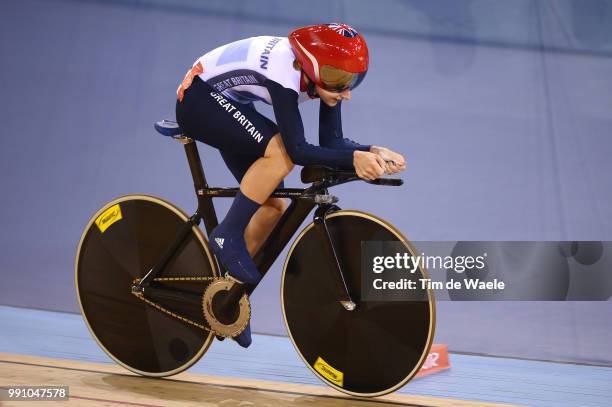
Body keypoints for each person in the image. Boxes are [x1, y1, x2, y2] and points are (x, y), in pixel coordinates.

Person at [175, 23, 406, 348]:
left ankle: (228, 295)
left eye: (352, 80)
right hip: (200, 100)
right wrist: (354, 158)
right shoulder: (285, 75)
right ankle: (227, 233)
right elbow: (298, 151)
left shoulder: (325, 75)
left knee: (272, 208)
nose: (347, 91)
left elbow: (332, 141)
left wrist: (371, 151)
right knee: (280, 154)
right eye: (341, 81)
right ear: (313, 68)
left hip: (230, 101)